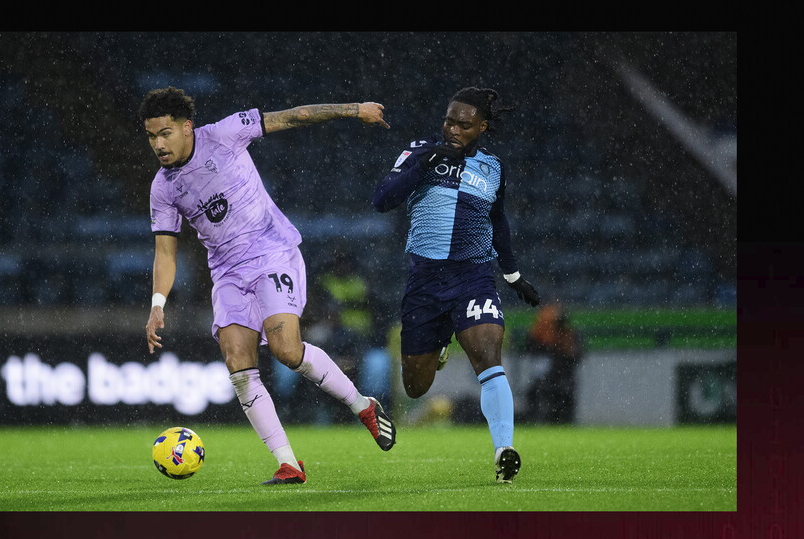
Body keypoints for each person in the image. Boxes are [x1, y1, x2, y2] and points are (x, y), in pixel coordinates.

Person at [140, 87, 396, 485]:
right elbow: (165, 253)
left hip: (272, 253)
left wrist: (354, 110)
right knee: (237, 362)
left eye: (165, 133)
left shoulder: (225, 134)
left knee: (286, 350)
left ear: (187, 126)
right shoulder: (164, 187)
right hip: (227, 273)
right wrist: (158, 303)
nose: (158, 144)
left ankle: (362, 405)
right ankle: (288, 464)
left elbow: (295, 115)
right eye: (151, 136)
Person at [372, 86, 540, 483]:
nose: (453, 130)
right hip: (426, 283)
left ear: (482, 128)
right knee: (415, 386)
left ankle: (504, 450)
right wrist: (423, 163)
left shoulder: (493, 167)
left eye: (464, 125)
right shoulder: (419, 151)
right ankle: (441, 342)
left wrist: (513, 276)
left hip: (473, 277)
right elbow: (382, 199)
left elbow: (498, 221)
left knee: (489, 359)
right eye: (449, 121)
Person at [522, 304, 583, 424]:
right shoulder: (545, 335)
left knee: (562, 393)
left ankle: (560, 417)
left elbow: (575, 355)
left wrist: (561, 359)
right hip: (551, 373)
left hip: (562, 373)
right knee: (540, 391)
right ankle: (542, 416)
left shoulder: (567, 335)